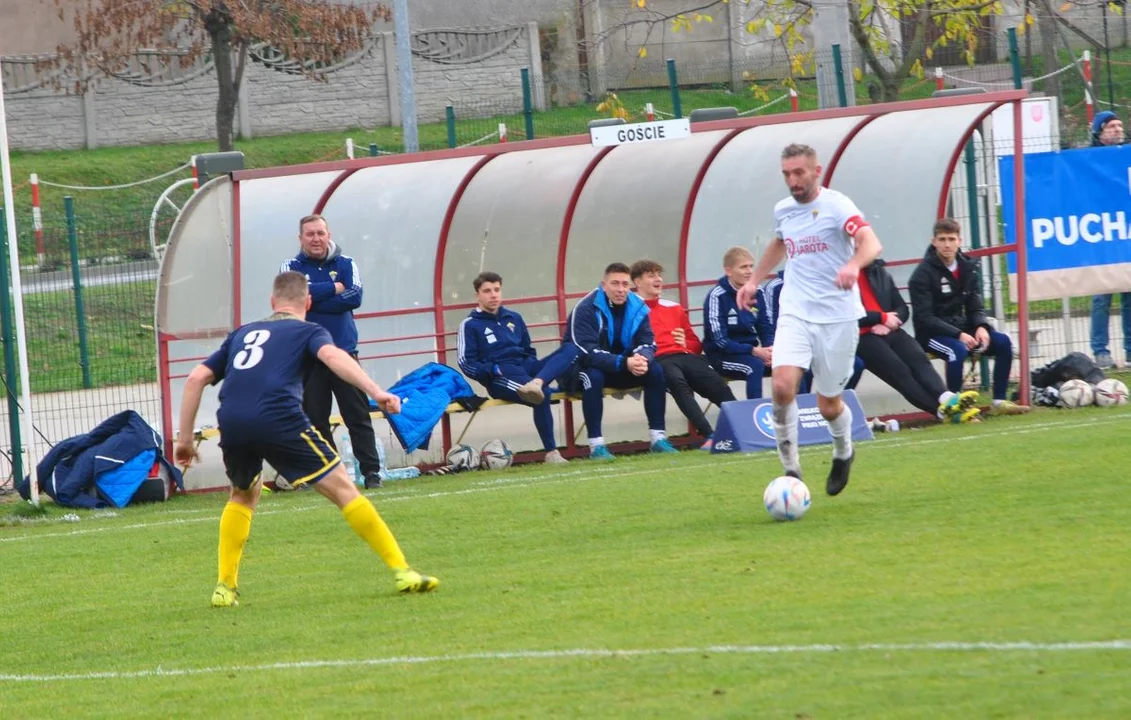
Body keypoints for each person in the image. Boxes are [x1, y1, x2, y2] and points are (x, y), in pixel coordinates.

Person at [173, 271, 438, 608]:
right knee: (344, 489)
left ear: (272, 302)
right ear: (308, 302)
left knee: (242, 494)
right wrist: (376, 391)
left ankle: (225, 587)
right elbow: (333, 356)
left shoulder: (243, 333)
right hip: (278, 417)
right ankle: (402, 572)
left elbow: (196, 377)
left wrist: (184, 439)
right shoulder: (308, 330)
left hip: (233, 420)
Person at [737, 143, 883, 497]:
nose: (793, 180)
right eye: (787, 174)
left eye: (799, 172)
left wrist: (852, 264)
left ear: (817, 171)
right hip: (796, 311)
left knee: (827, 404)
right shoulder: (784, 210)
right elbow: (780, 243)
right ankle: (792, 471)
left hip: (837, 318)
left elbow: (870, 242)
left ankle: (843, 451)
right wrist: (755, 280)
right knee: (783, 386)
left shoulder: (837, 205)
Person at [281, 214, 383, 489]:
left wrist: (313, 300)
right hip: (309, 358)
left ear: (329, 234)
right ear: (300, 238)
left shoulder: (346, 263)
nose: (316, 239)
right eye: (310, 234)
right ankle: (330, 475)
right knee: (315, 419)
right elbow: (293, 299)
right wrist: (334, 289)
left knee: (358, 417)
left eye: (320, 233)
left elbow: (356, 297)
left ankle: (371, 472)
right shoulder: (290, 266)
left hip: (344, 354)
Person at [908, 217, 1029, 416]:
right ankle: (955, 407)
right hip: (930, 335)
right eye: (942, 239)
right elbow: (925, 318)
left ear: (959, 241)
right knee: (957, 350)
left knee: (1003, 343)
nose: (947, 244)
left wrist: (982, 326)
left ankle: (998, 401)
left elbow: (975, 305)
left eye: (951, 239)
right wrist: (959, 335)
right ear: (934, 241)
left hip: (961, 329)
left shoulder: (967, 267)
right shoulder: (922, 275)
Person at [457, 271, 577, 465]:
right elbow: (466, 363)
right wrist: (494, 370)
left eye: (497, 290)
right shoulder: (470, 325)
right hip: (501, 376)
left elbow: (528, 350)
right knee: (543, 394)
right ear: (477, 295)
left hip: (527, 370)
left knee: (571, 349)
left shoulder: (514, 317)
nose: (493, 295)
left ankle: (537, 382)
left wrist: (532, 370)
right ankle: (552, 453)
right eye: (487, 291)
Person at [563, 262, 675, 460]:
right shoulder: (586, 307)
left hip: (621, 366)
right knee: (593, 377)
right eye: (615, 284)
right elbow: (585, 352)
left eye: (625, 284)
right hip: (580, 368)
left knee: (656, 370)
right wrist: (625, 363)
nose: (621, 289)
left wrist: (642, 358)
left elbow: (648, 341)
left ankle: (658, 439)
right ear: (604, 285)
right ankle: (596, 446)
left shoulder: (637, 305)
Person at [856, 258, 980, 422]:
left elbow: (902, 308)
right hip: (861, 337)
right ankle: (944, 413)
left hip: (890, 330)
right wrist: (881, 317)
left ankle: (947, 398)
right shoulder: (838, 276)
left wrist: (890, 323)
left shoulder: (879, 272)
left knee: (919, 359)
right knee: (900, 371)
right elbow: (843, 317)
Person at [630, 259, 736, 450]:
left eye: (659, 274)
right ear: (637, 282)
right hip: (657, 359)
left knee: (714, 381)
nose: (658, 279)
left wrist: (685, 343)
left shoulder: (674, 307)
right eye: (651, 275)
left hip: (684, 355)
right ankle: (710, 435)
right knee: (677, 383)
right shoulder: (629, 309)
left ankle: (743, 427)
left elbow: (695, 344)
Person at [760, 268, 864, 396]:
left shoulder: (821, 282)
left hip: (821, 343)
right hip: (791, 345)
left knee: (856, 365)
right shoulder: (775, 286)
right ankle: (805, 411)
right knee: (804, 369)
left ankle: (828, 405)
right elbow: (768, 324)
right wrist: (773, 349)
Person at [1088, 110, 1131, 370]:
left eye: (1119, 125)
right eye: (1111, 127)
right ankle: (1100, 350)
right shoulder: (1087, 161)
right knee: (1101, 297)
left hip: (1126, 237)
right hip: (1101, 239)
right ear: (1099, 132)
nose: (1117, 130)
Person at [703, 246, 774, 399]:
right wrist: (754, 351)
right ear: (728, 271)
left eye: (751, 266)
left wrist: (769, 350)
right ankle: (755, 415)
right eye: (743, 267)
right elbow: (720, 341)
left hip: (752, 352)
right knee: (754, 366)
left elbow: (766, 327)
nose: (749, 271)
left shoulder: (758, 292)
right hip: (723, 356)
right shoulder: (717, 296)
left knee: (791, 364)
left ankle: (800, 414)